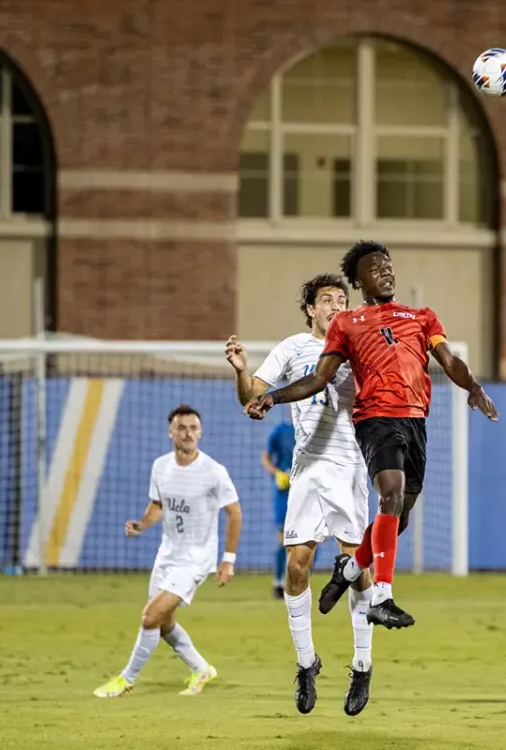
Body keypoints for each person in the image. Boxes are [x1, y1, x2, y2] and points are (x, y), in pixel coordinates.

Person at [245, 240, 498, 632]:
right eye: (375, 268)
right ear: (360, 281)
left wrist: (474, 388)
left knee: (400, 517)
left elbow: (449, 360)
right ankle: (382, 596)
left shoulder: (422, 317)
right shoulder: (347, 324)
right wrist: (272, 397)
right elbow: (318, 379)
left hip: (415, 420)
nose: (385, 272)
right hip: (375, 418)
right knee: (390, 495)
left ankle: (349, 569)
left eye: (388, 265)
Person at [226, 272, 376, 716]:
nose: (335, 305)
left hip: (351, 468)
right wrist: (240, 371)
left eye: (341, 299)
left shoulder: (358, 347)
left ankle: (362, 664)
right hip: (308, 469)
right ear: (311, 309)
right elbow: (251, 393)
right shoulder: (293, 348)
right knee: (297, 565)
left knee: (357, 568)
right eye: (327, 299)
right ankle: (306, 663)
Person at [92, 405, 242, 698]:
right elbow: (159, 505)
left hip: (196, 560)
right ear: (171, 432)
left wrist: (228, 560)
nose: (188, 433)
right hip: (167, 556)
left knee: (150, 616)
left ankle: (126, 679)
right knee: (163, 624)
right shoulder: (160, 466)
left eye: (193, 428)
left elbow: (234, 513)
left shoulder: (214, 471)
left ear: (200, 432)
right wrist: (142, 524)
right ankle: (201, 669)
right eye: (182, 428)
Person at [262, 418, 296, 599]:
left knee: (314, 538)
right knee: (283, 539)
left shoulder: (313, 428)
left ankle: (298, 581)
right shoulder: (281, 430)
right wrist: (276, 473)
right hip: (285, 491)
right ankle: (278, 582)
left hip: (308, 490)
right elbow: (266, 456)